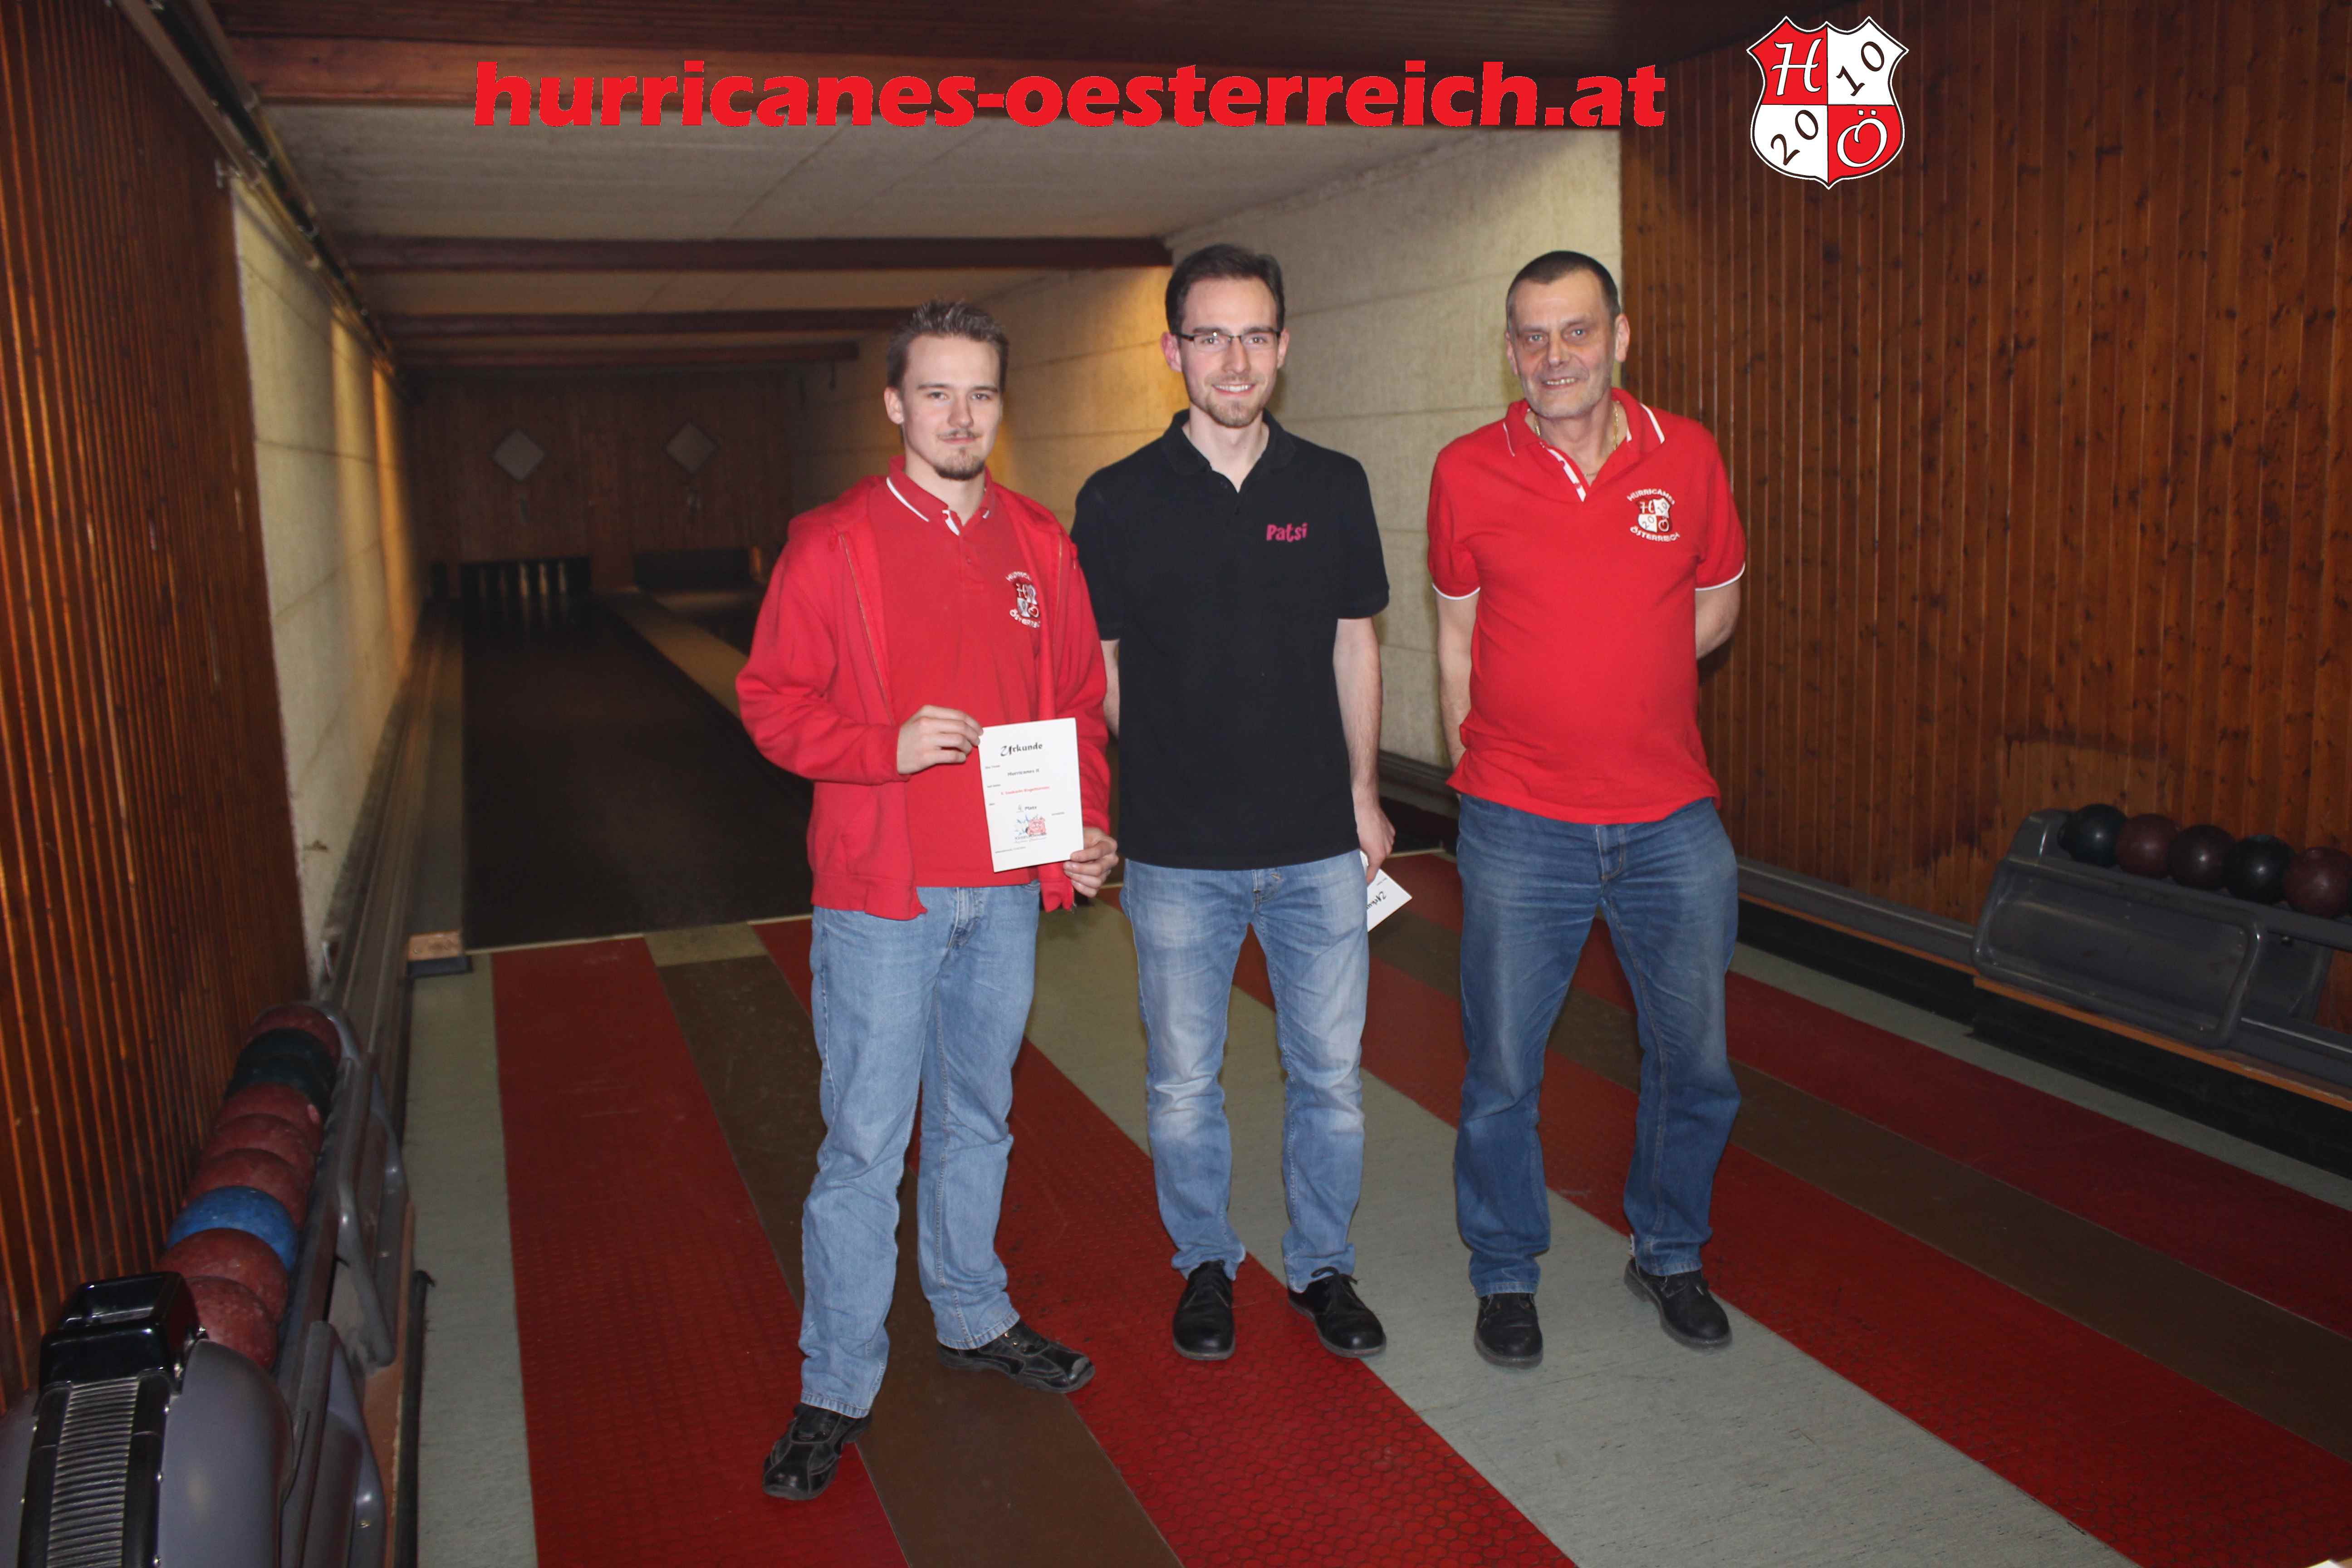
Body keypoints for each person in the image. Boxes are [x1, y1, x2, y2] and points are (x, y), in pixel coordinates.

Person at [737, 299, 1118, 1499]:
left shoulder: (1039, 542)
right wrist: (881, 747)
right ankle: (835, 1382)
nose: (962, 417)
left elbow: (1075, 706)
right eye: (938, 393)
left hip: (1003, 891)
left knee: (979, 1116)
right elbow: (770, 702)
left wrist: (1083, 828)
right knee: (865, 1142)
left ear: (1002, 404)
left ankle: (971, 1311)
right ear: (896, 403)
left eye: (982, 394)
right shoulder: (833, 543)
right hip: (884, 898)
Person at [1072, 244, 1392, 1364]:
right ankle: (1204, 1261)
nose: (1236, 359)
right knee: (1182, 1085)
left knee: (1332, 1082)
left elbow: (1357, 645)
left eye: (1256, 335)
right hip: (1177, 853)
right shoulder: (1116, 499)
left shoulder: (1333, 484)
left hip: (1316, 845)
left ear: (1284, 347)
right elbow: (1101, 668)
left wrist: (1364, 795)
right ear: (1174, 351)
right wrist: (1140, 782)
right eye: (1211, 336)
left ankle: (1323, 1267)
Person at [1428, 250, 1746, 1370]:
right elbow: (1457, 638)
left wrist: (1622, 684)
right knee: (1504, 1070)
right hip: (1519, 819)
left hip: (1671, 818)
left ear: (1620, 336)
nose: (1553, 355)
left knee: (1695, 1062)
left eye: (1575, 331)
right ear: (1510, 350)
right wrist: (1486, 761)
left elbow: (1716, 607)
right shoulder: (1468, 470)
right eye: (1531, 335)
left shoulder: (1688, 454)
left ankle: (1670, 1250)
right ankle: (1506, 1271)